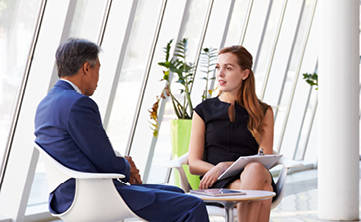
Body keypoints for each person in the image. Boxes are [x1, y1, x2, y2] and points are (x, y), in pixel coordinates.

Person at [34, 38, 208, 222]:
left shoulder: (46, 104)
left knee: (176, 192)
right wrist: (127, 167)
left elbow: (84, 153)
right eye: (98, 69)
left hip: (68, 194)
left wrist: (123, 164)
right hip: (93, 194)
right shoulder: (78, 104)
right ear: (86, 68)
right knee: (192, 204)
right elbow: (104, 160)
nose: (98, 78)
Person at [188, 45, 275, 222]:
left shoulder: (263, 111)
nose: (220, 74)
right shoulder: (203, 110)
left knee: (256, 169)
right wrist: (218, 169)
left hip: (252, 175)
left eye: (228, 68)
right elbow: (194, 164)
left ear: (245, 74)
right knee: (263, 191)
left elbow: (265, 156)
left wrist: (226, 165)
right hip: (218, 182)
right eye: (218, 67)